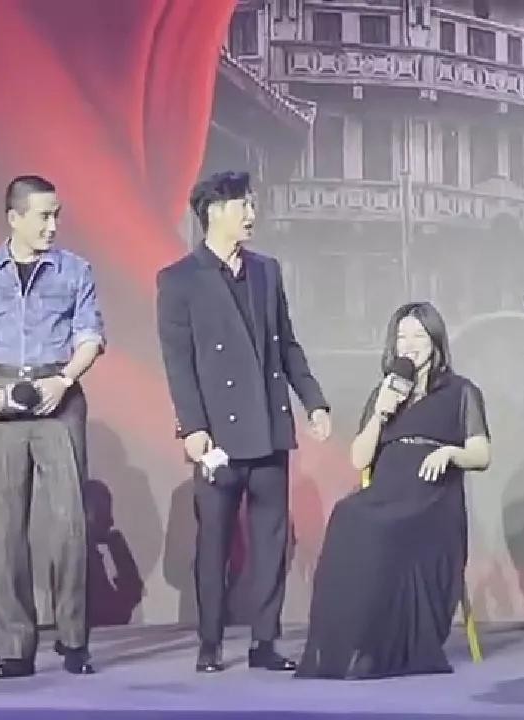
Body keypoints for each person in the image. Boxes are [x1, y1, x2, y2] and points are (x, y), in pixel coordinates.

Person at [156, 170, 331, 674]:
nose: (252, 215)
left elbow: (287, 343)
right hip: (217, 436)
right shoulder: (179, 279)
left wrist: (313, 401)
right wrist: (192, 427)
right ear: (214, 212)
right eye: (243, 206)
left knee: (271, 542)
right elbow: (178, 362)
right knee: (213, 544)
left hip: (269, 426)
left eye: (253, 205)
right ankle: (210, 642)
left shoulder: (266, 271)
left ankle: (265, 641)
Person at [0, 175, 105, 678]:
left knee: (69, 525)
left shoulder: (75, 270)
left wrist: (64, 379)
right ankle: (14, 647)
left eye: (57, 215)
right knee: (5, 528)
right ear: (14, 218)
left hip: (60, 396)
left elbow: (91, 336)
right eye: (43, 216)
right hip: (0, 397)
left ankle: (74, 640)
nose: (52, 225)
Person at [296, 303, 492, 680]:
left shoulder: (460, 391)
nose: (409, 344)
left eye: (418, 335)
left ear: (435, 342)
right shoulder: (384, 391)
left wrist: (450, 453)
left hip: (431, 499)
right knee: (348, 515)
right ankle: (347, 644)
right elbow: (359, 458)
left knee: (382, 529)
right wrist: (381, 413)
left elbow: (482, 455)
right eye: (402, 336)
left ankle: (383, 649)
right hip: (386, 490)